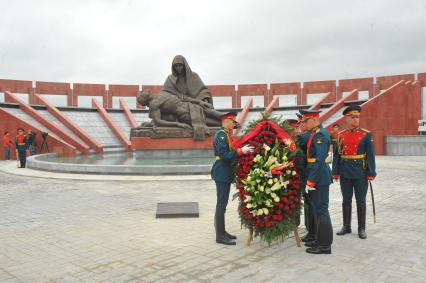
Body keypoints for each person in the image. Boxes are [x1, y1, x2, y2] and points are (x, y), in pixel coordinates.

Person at [332, 105, 376, 239]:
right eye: (353, 117)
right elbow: (337, 155)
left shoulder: (366, 135)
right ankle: (346, 226)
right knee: (346, 200)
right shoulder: (340, 135)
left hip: (360, 173)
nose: (356, 120)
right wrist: (335, 171)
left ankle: (361, 228)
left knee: (360, 201)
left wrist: (371, 172)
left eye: (357, 117)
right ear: (346, 119)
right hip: (345, 172)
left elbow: (370, 155)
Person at [211, 112, 253, 245]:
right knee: (221, 204)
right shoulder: (221, 135)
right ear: (225, 122)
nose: (234, 124)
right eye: (232, 121)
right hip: (221, 172)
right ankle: (220, 236)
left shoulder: (226, 135)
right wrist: (240, 152)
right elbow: (224, 155)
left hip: (225, 172)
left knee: (223, 204)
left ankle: (222, 232)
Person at [300, 109, 333, 254]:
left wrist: (311, 181)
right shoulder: (315, 133)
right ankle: (319, 239)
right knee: (317, 210)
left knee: (321, 211)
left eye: (306, 121)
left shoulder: (320, 134)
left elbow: (319, 160)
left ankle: (325, 245)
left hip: (319, 177)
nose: (304, 124)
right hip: (316, 175)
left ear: (314, 120)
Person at [295, 113, 317, 244]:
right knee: (309, 204)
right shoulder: (306, 135)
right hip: (306, 174)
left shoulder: (305, 136)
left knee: (311, 204)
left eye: (302, 122)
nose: (301, 125)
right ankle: (311, 231)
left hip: (308, 175)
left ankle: (313, 232)